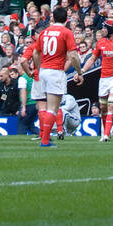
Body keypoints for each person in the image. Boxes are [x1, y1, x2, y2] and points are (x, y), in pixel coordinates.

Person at [32, 17, 83, 148]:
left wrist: (39, 69)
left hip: (44, 71)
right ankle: (45, 141)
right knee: (53, 109)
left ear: (53, 18)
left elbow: (35, 53)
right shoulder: (66, 32)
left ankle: (46, 138)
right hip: (56, 72)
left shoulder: (45, 32)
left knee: (45, 106)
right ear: (66, 20)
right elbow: (73, 56)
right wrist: (79, 72)